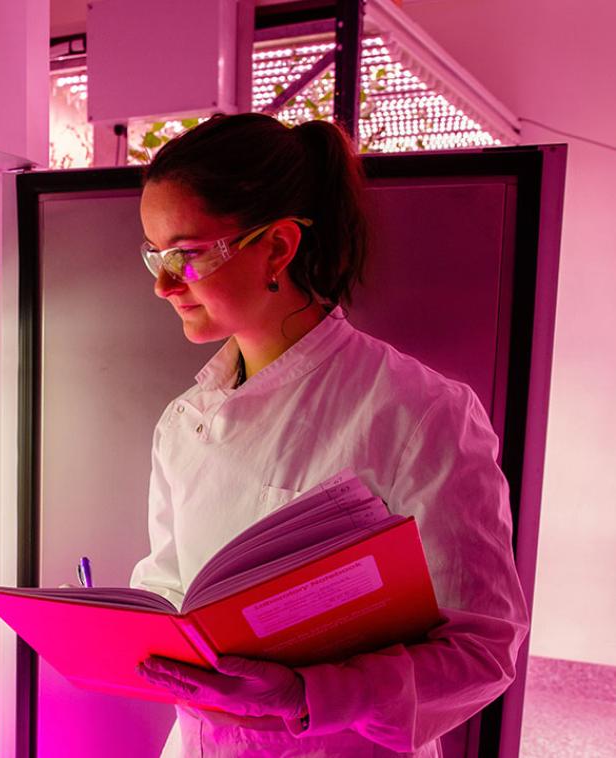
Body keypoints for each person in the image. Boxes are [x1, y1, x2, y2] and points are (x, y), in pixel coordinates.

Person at [129, 113, 529, 757]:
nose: (162, 284)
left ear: (277, 248)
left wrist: (306, 695)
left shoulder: (420, 412)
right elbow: (171, 585)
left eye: (187, 254)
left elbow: (483, 650)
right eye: (155, 254)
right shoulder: (183, 420)